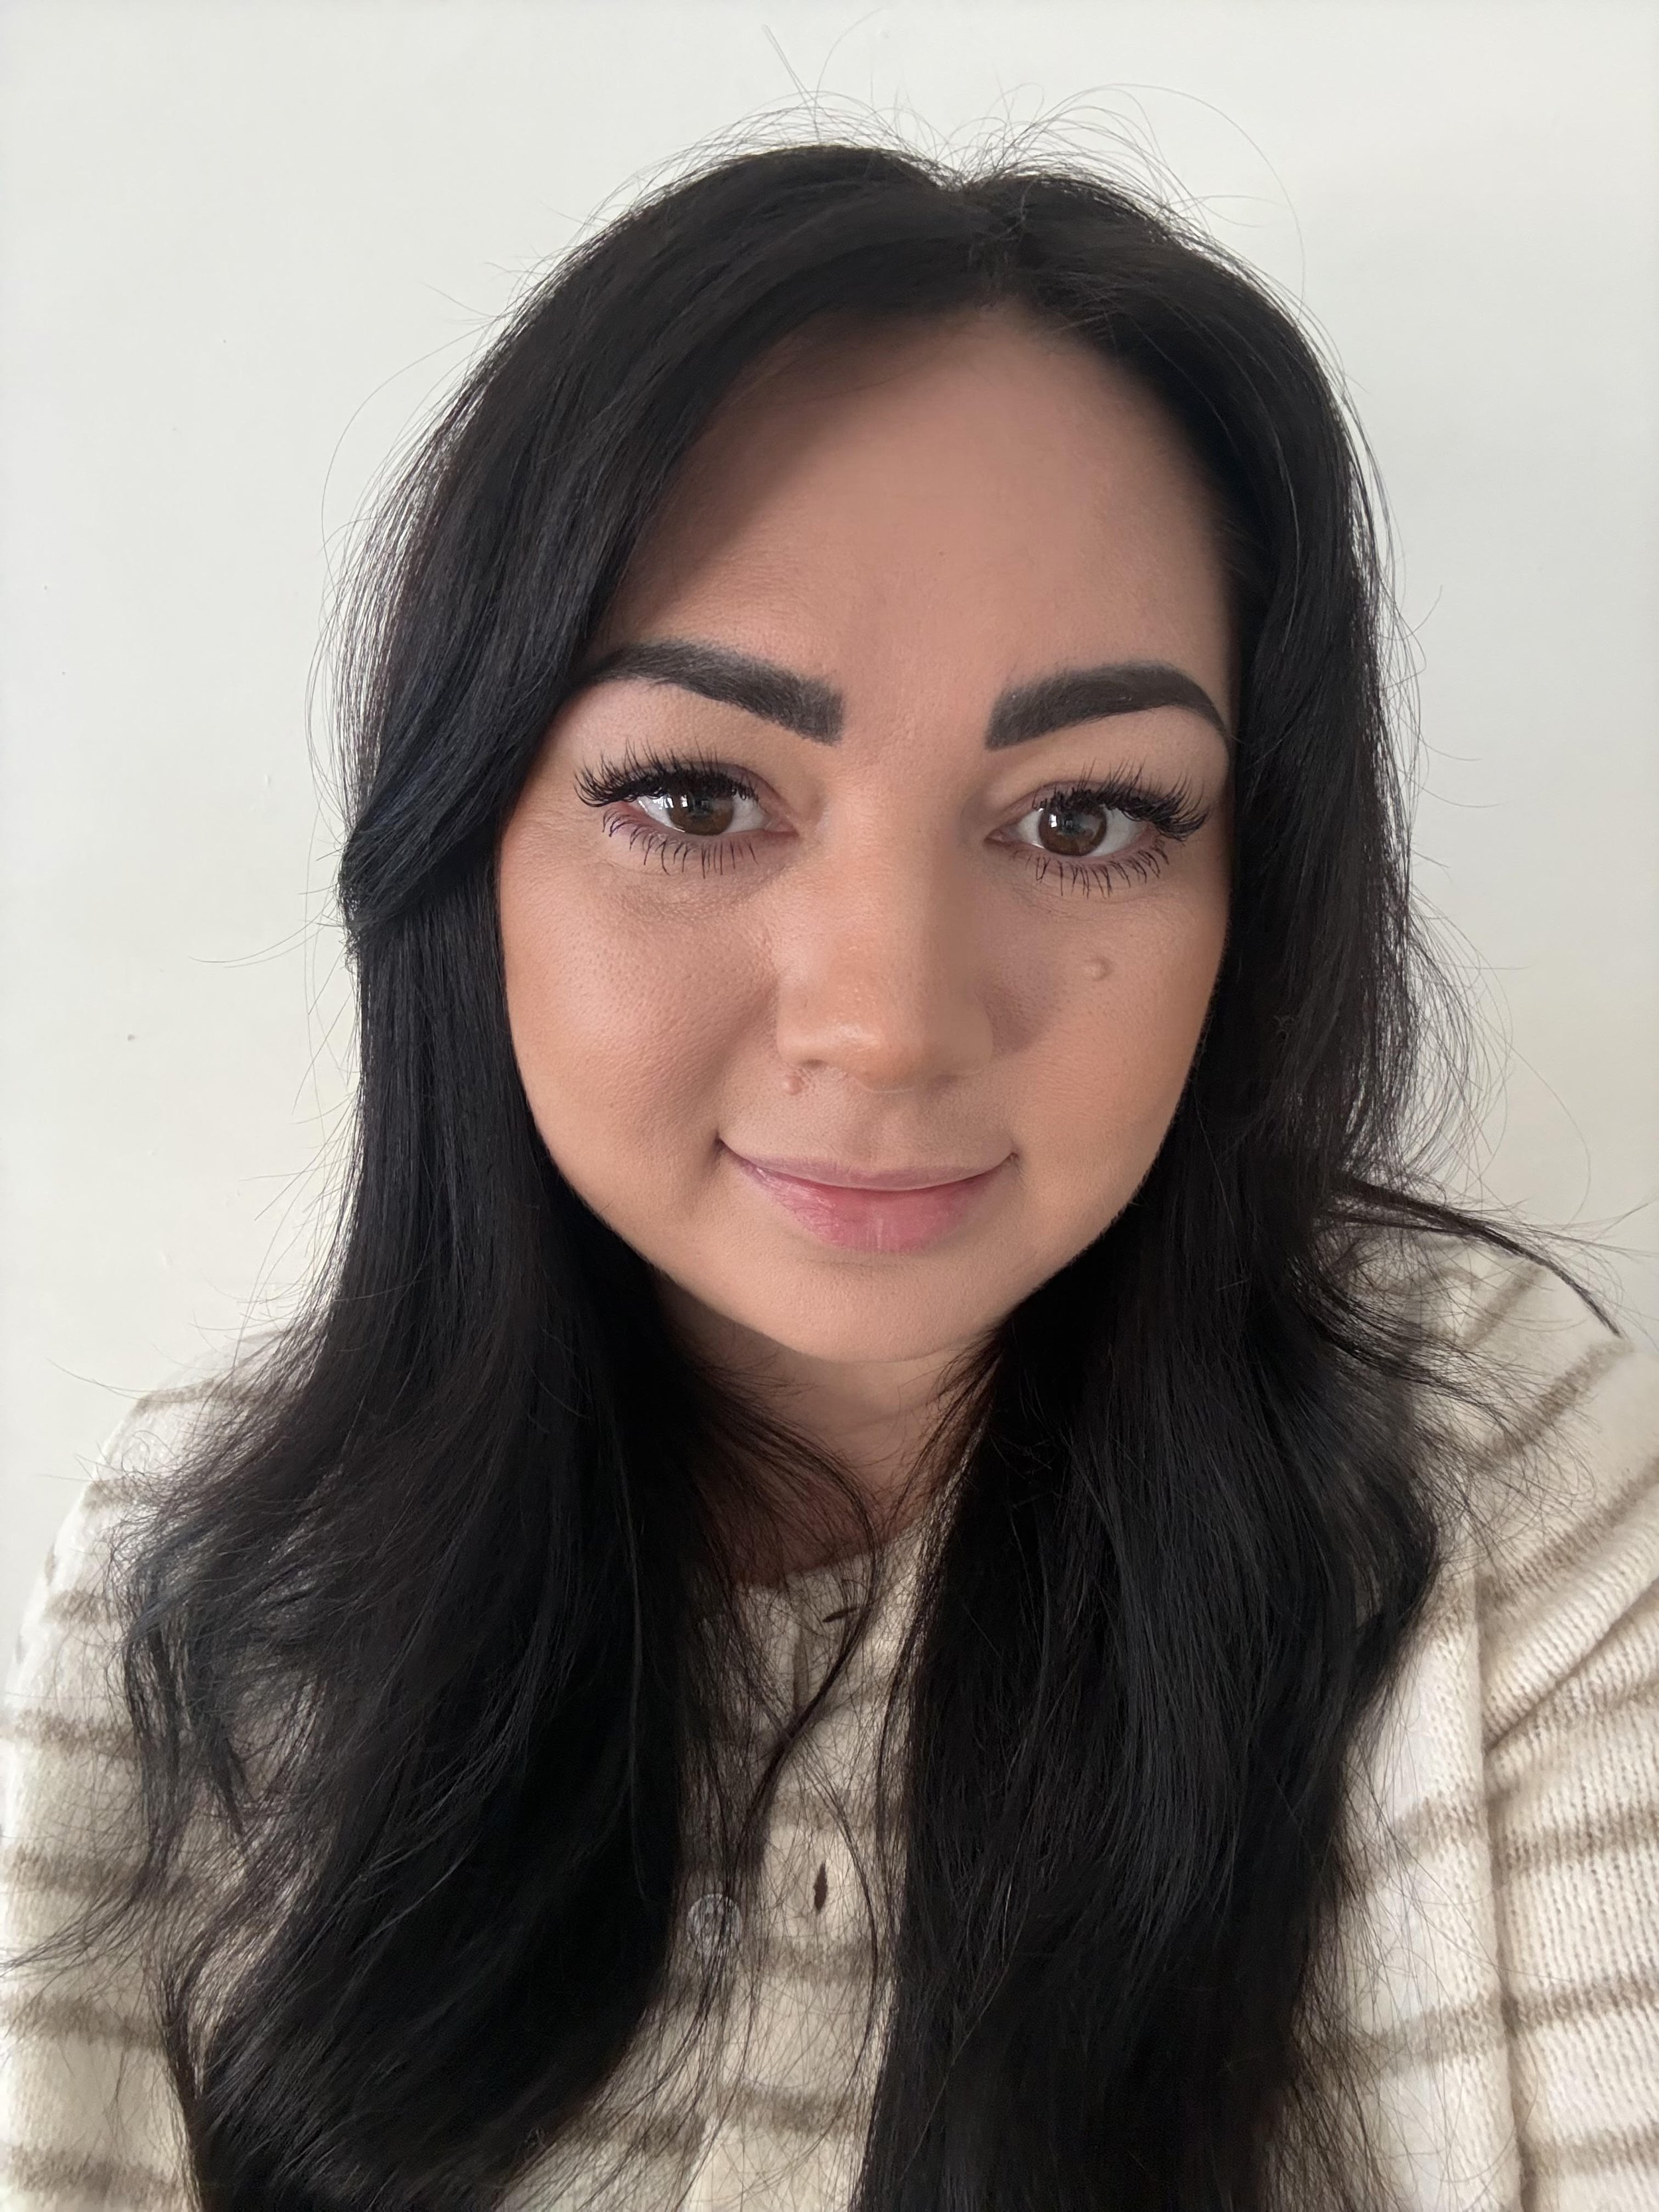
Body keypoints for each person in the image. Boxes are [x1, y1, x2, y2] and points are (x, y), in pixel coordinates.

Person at [2, 139, 1656, 2212]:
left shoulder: (1490, 1512)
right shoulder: (213, 1581)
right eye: (695, 796)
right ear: (463, 850)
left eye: (1085, 820)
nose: (886, 1020)